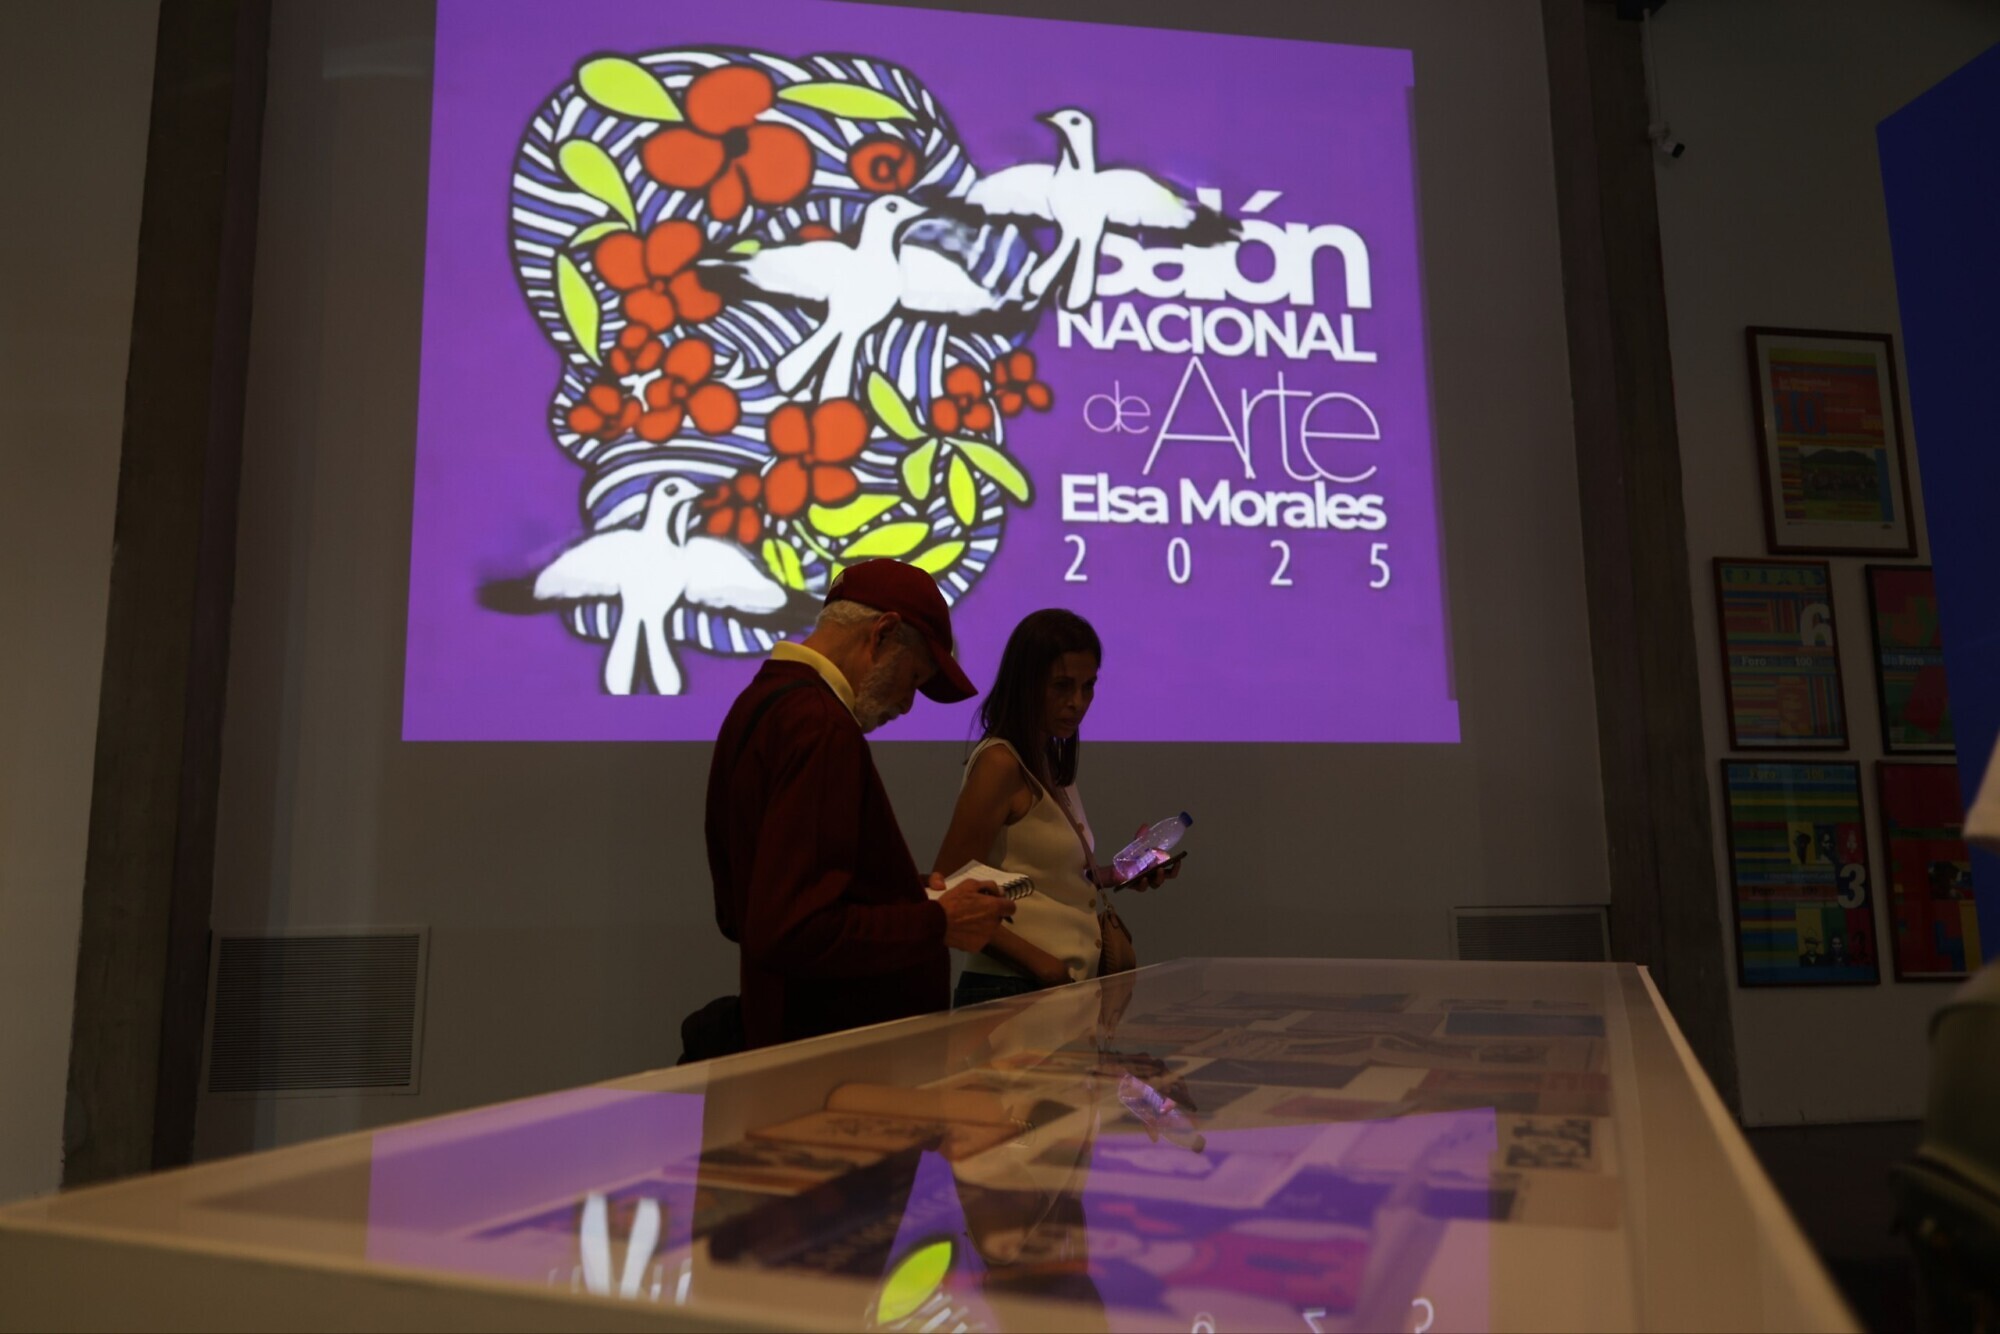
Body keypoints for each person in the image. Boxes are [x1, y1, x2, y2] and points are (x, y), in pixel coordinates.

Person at [706, 559, 1015, 1050]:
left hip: (785, 1034)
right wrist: (938, 922)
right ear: (883, 634)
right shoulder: (821, 726)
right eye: (914, 677)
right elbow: (795, 927)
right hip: (834, 1059)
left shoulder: (759, 703)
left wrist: (897, 892)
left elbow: (751, 906)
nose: (908, 705)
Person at [933, 609, 1173, 1007]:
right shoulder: (1000, 762)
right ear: (1027, 683)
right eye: (1062, 686)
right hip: (1010, 991)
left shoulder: (1045, 761)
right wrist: (1044, 966)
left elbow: (1047, 878)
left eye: (1087, 686)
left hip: (1053, 990)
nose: (1077, 703)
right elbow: (947, 890)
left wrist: (1121, 871)